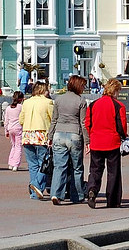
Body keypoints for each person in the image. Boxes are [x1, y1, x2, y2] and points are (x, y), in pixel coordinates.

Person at [85, 77, 127, 209]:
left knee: (95, 169)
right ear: (115, 91)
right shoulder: (118, 105)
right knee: (113, 172)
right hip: (112, 141)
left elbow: (88, 123)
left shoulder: (93, 105)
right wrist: (124, 137)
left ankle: (92, 190)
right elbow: (122, 125)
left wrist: (92, 135)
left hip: (96, 141)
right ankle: (113, 200)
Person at [48, 75, 88, 205]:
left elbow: (54, 119)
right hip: (74, 134)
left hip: (58, 134)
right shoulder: (81, 101)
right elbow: (83, 122)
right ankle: (77, 195)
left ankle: (56, 194)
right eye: (83, 86)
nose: (84, 88)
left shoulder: (59, 99)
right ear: (78, 86)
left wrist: (50, 136)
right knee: (77, 168)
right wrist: (87, 141)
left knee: (59, 166)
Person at [20, 81, 54, 200]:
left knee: (33, 165)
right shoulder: (48, 102)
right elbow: (53, 118)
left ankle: (34, 192)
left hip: (27, 134)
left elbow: (21, 120)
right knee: (44, 163)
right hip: (41, 134)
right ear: (43, 90)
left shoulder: (27, 102)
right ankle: (36, 185)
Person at [4, 91, 24, 171]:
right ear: (21, 99)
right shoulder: (21, 107)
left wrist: (6, 131)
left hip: (10, 128)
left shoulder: (8, 108)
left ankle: (10, 163)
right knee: (18, 146)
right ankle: (15, 164)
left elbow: (6, 120)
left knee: (13, 146)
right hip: (18, 128)